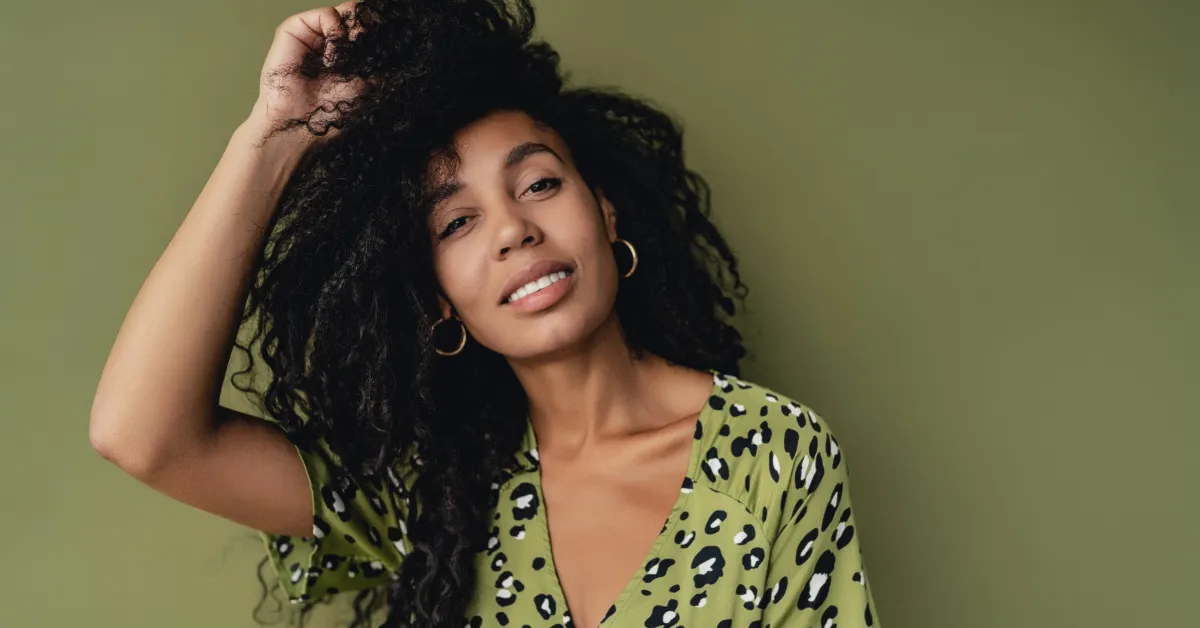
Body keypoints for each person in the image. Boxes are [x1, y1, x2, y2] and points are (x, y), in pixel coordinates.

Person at [89, 1, 881, 626]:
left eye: (538, 183)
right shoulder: (433, 491)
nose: (513, 230)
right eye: (456, 223)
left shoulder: (768, 454)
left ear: (605, 214)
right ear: (440, 302)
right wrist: (279, 137)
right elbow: (144, 436)